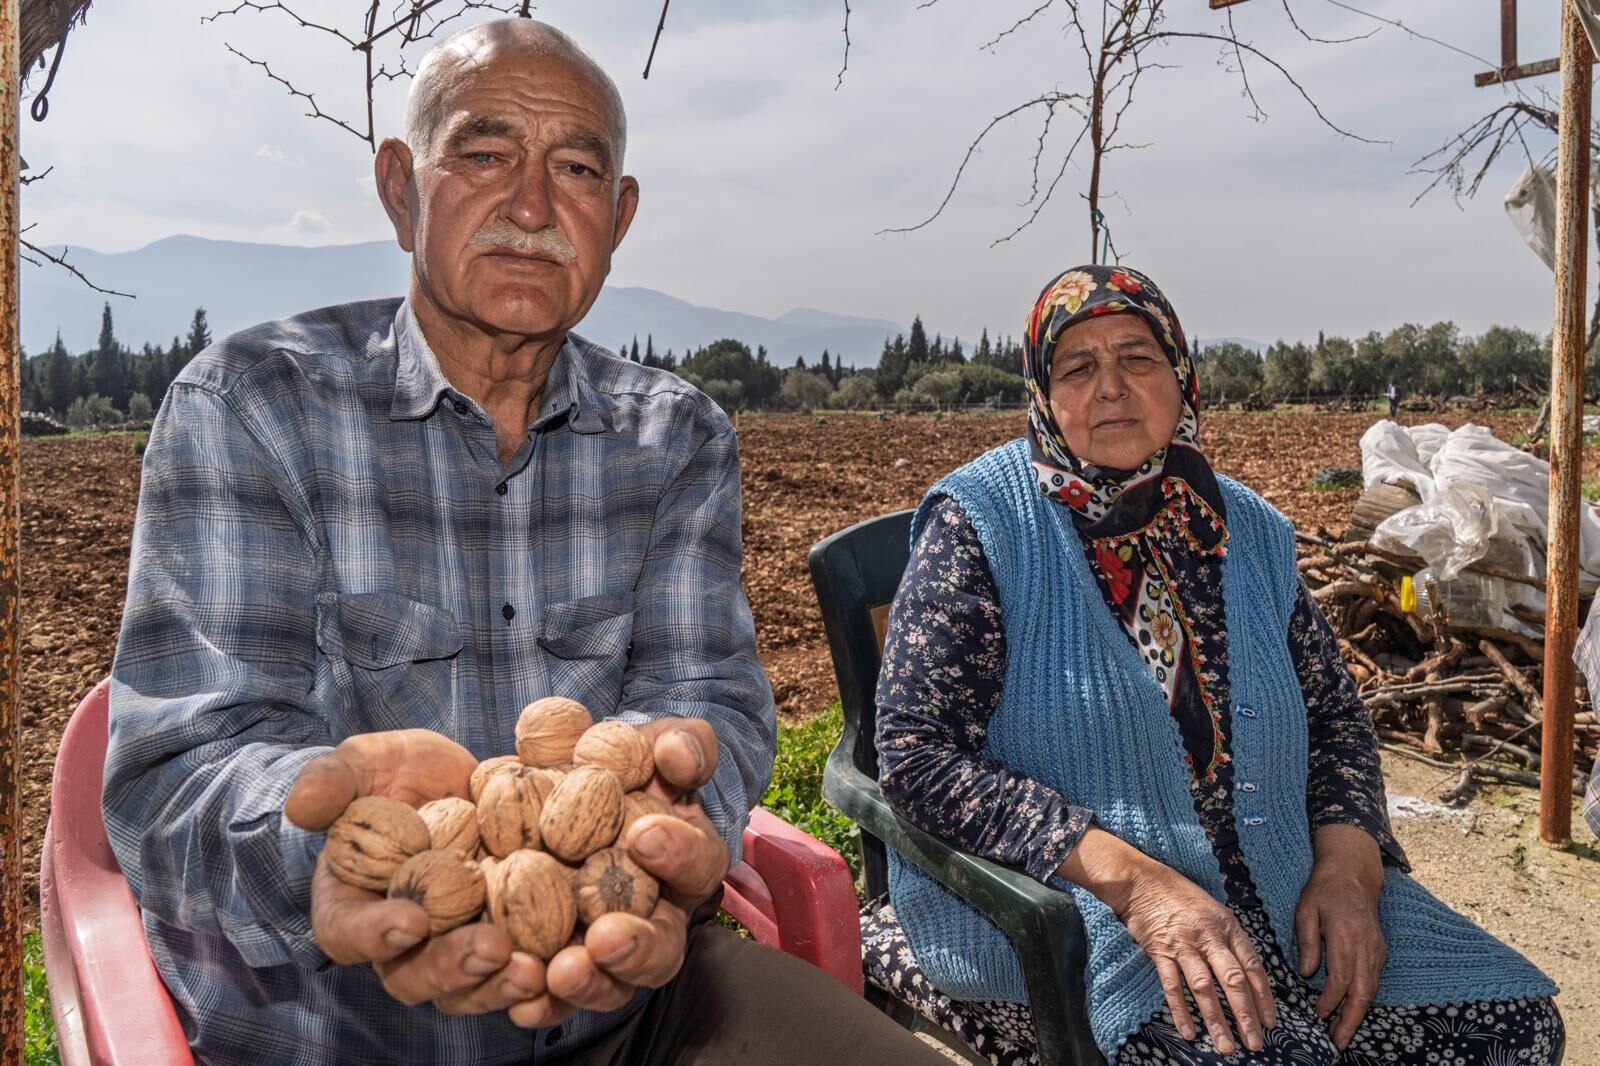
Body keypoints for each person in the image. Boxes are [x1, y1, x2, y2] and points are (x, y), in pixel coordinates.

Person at [103, 19, 947, 1066]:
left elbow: (708, 696)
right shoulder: (253, 407)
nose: (534, 207)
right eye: (485, 155)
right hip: (329, 1034)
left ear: (618, 216)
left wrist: (669, 811)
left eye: (577, 170)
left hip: (629, 1005)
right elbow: (179, 771)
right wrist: (328, 849)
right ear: (400, 189)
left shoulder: (676, 437)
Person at [873, 265, 1564, 1065]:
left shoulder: (1245, 527)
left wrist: (1349, 869)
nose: (1110, 387)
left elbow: (1334, 716)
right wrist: (1135, 883)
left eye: (1137, 357)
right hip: (1081, 911)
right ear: (1043, 394)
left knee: (1515, 1028)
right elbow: (917, 758)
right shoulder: (981, 526)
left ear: (1180, 376)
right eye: (1077, 367)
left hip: (1282, 886)